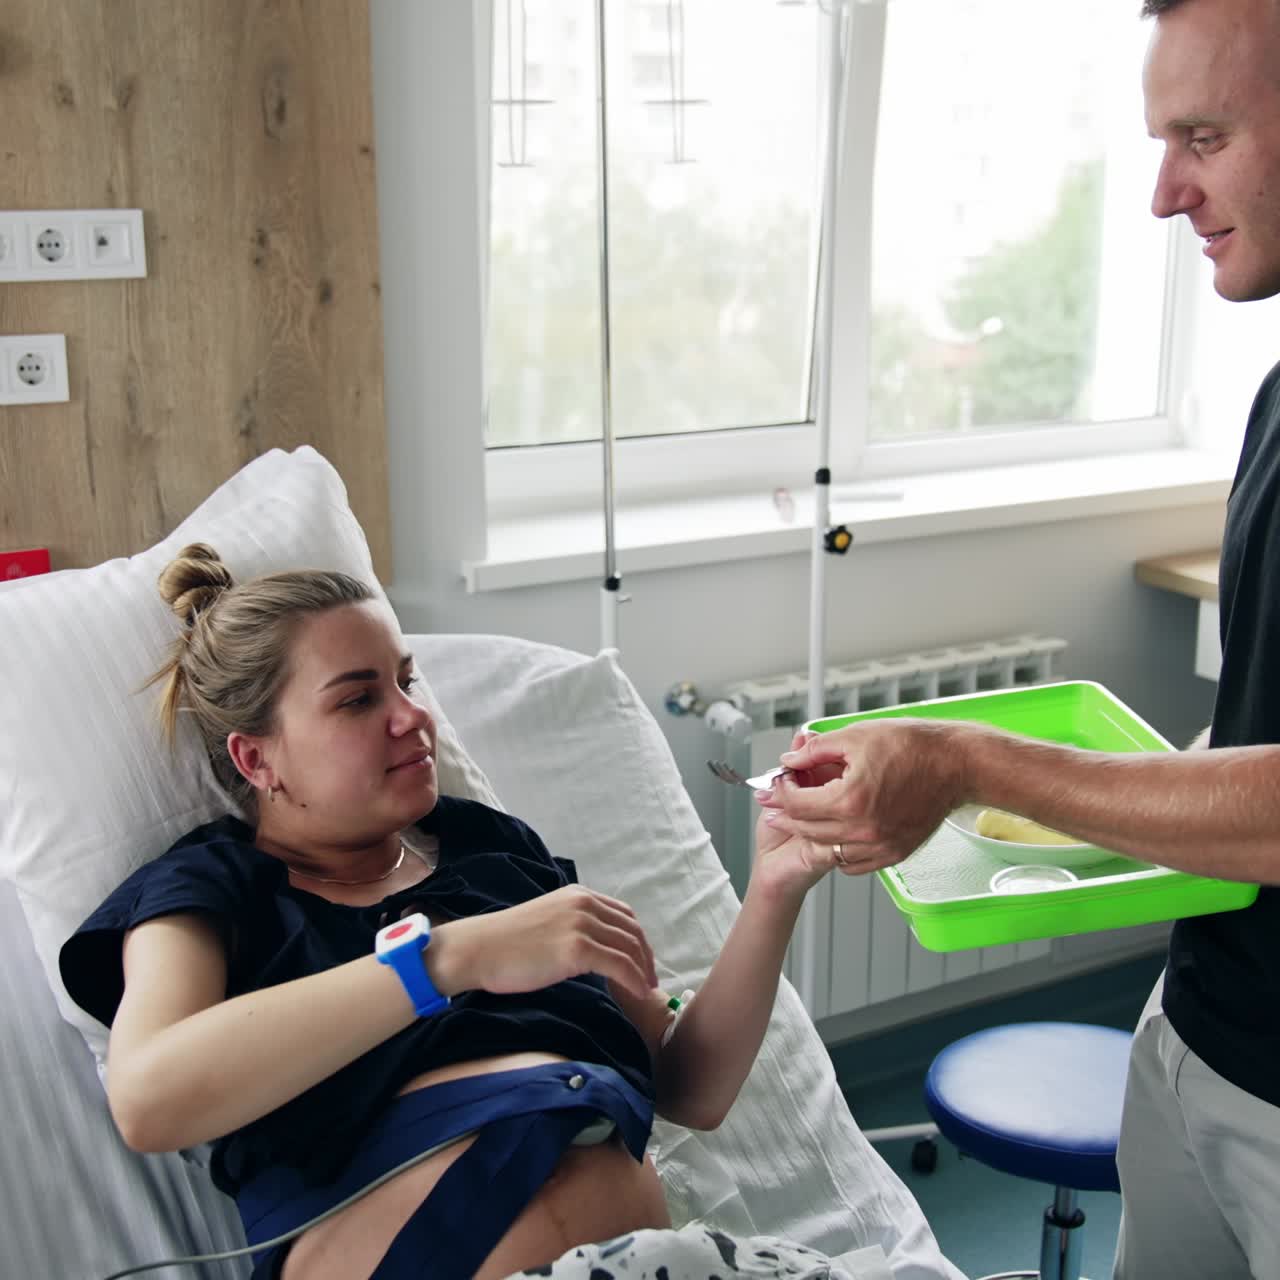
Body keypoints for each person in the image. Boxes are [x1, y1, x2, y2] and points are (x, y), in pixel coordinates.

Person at [762, 2, 1280, 1275]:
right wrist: (1126, 798)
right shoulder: (1274, 392)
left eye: (1201, 136)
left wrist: (981, 761)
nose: (1163, 193)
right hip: (1199, 1026)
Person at [59, 544, 840, 1280]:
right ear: (255, 758)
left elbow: (689, 1088)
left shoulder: (489, 849)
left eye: (407, 682)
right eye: (359, 699)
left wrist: (775, 884)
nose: (412, 717)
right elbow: (149, 1097)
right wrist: (448, 957)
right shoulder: (211, 889)